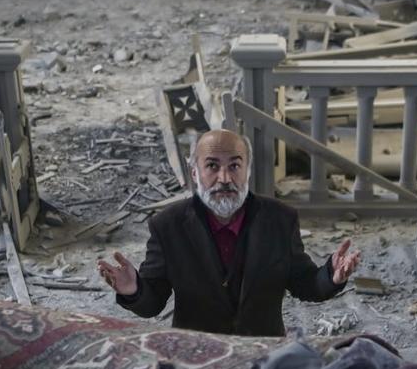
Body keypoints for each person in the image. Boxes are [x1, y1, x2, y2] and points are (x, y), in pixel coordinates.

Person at [97, 129, 361, 337]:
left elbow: (305, 284)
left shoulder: (279, 220)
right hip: (198, 355)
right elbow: (152, 303)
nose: (224, 178)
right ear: (194, 172)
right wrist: (133, 289)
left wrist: (332, 276)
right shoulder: (168, 226)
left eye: (234, 166)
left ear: (247, 170)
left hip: (263, 354)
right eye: (212, 166)